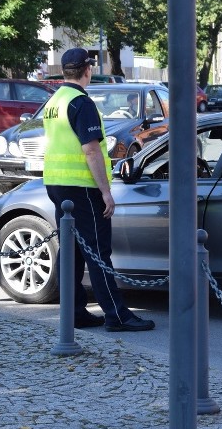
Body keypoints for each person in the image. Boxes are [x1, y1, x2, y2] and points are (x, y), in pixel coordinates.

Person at [42, 48, 155, 331]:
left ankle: (74, 313)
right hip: (83, 187)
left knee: (73, 252)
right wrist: (106, 191)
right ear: (88, 70)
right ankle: (117, 316)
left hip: (56, 184)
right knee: (97, 251)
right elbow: (91, 150)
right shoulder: (81, 102)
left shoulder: (55, 101)